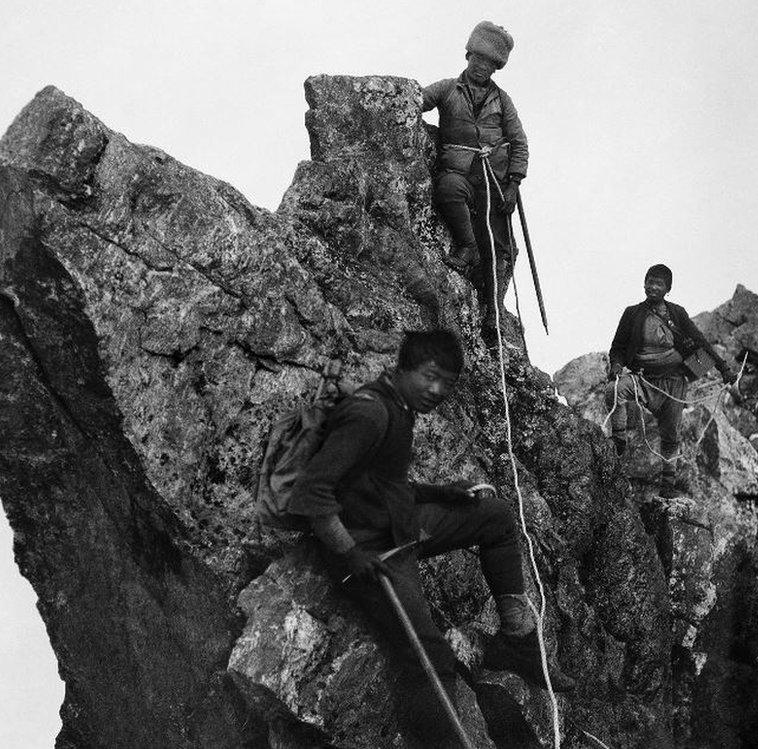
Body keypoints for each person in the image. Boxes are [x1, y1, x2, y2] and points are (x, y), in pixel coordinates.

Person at [290, 329, 573, 744]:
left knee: (493, 516)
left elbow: (383, 485)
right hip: (372, 553)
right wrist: (349, 551)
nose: (438, 390)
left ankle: (517, 641)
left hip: (398, 528)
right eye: (430, 375)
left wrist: (446, 494)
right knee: (432, 660)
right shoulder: (370, 414)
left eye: (449, 383)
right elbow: (311, 491)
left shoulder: (399, 406)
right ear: (404, 368)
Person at [422, 21, 528, 311]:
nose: (482, 67)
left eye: (490, 64)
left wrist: (514, 184)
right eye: (478, 59)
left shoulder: (502, 101)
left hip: (494, 180)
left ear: (496, 69)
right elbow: (415, 99)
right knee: (447, 188)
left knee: (498, 249)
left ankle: (491, 317)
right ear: (468, 56)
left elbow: (519, 142)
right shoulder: (447, 89)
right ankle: (467, 247)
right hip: (459, 173)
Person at [605, 265, 736, 498]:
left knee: (671, 434)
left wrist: (723, 368)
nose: (653, 287)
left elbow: (700, 341)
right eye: (649, 281)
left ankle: (668, 486)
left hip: (674, 382)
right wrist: (616, 365)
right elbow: (618, 348)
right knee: (615, 389)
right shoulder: (632, 313)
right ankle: (618, 442)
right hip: (643, 379)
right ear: (643, 283)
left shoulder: (677, 313)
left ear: (668, 289)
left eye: (659, 283)